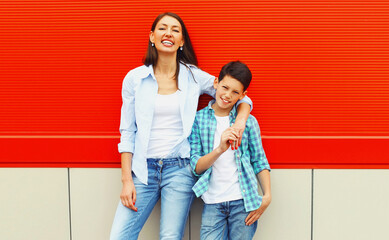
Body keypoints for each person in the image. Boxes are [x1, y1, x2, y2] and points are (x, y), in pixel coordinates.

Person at [110, 13, 253, 240]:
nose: (168, 33)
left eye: (175, 30)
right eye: (162, 28)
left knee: (170, 237)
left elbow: (238, 95)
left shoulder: (192, 76)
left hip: (179, 169)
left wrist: (240, 122)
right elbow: (127, 131)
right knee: (119, 236)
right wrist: (127, 180)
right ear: (152, 36)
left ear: (181, 41)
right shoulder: (134, 79)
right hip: (143, 170)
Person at [189, 61, 271, 240]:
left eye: (235, 92)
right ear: (216, 83)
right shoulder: (198, 120)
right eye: (225, 87)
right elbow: (196, 166)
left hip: (243, 202)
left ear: (243, 95)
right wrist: (219, 149)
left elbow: (259, 160)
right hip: (212, 203)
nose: (227, 95)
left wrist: (267, 196)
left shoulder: (248, 122)